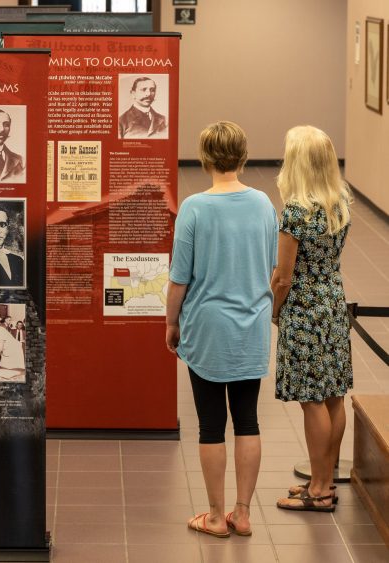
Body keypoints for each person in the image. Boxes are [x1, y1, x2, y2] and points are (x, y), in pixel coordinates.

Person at [165, 122, 277, 539]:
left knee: (211, 424)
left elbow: (180, 279)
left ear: (205, 157)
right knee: (247, 419)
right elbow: (269, 265)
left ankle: (214, 516)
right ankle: (243, 513)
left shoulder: (195, 208)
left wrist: (171, 323)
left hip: (208, 329)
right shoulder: (265, 203)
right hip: (251, 326)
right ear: (244, 157)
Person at [272, 126, 353, 513]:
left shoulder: (294, 212)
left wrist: (274, 309)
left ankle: (318, 490)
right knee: (334, 395)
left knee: (311, 401)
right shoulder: (340, 203)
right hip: (333, 303)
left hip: (304, 308)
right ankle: (325, 482)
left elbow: (283, 276)